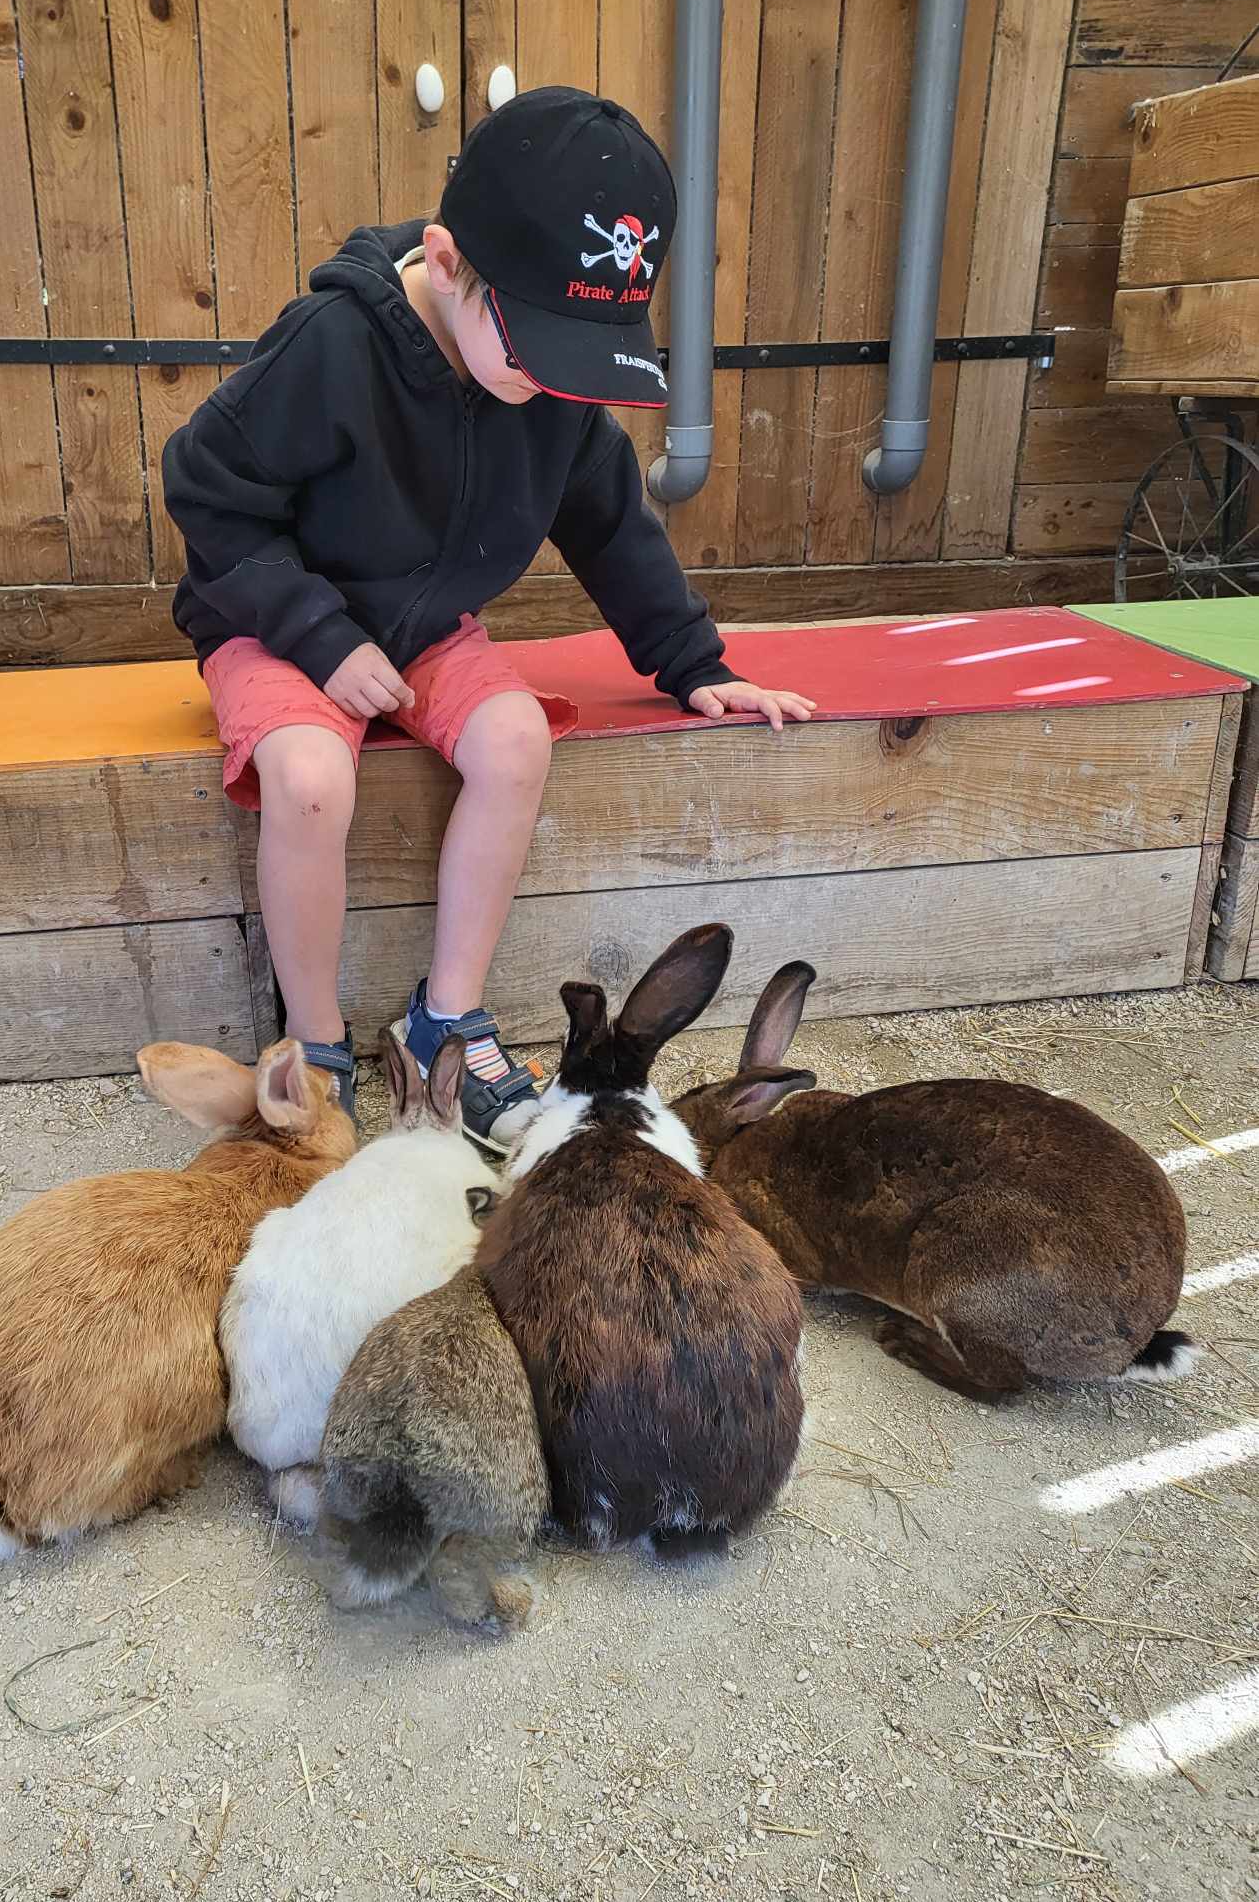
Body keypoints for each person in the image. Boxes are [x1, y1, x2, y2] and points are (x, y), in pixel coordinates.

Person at [163, 86, 814, 1152]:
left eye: (582, 352)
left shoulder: (550, 387)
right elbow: (207, 492)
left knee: (515, 740)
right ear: (446, 260)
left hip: (424, 627)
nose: (554, 380)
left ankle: (446, 1023)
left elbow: (610, 521)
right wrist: (321, 637)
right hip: (275, 618)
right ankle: (315, 1050)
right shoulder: (333, 344)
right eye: (537, 346)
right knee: (312, 776)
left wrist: (695, 661)